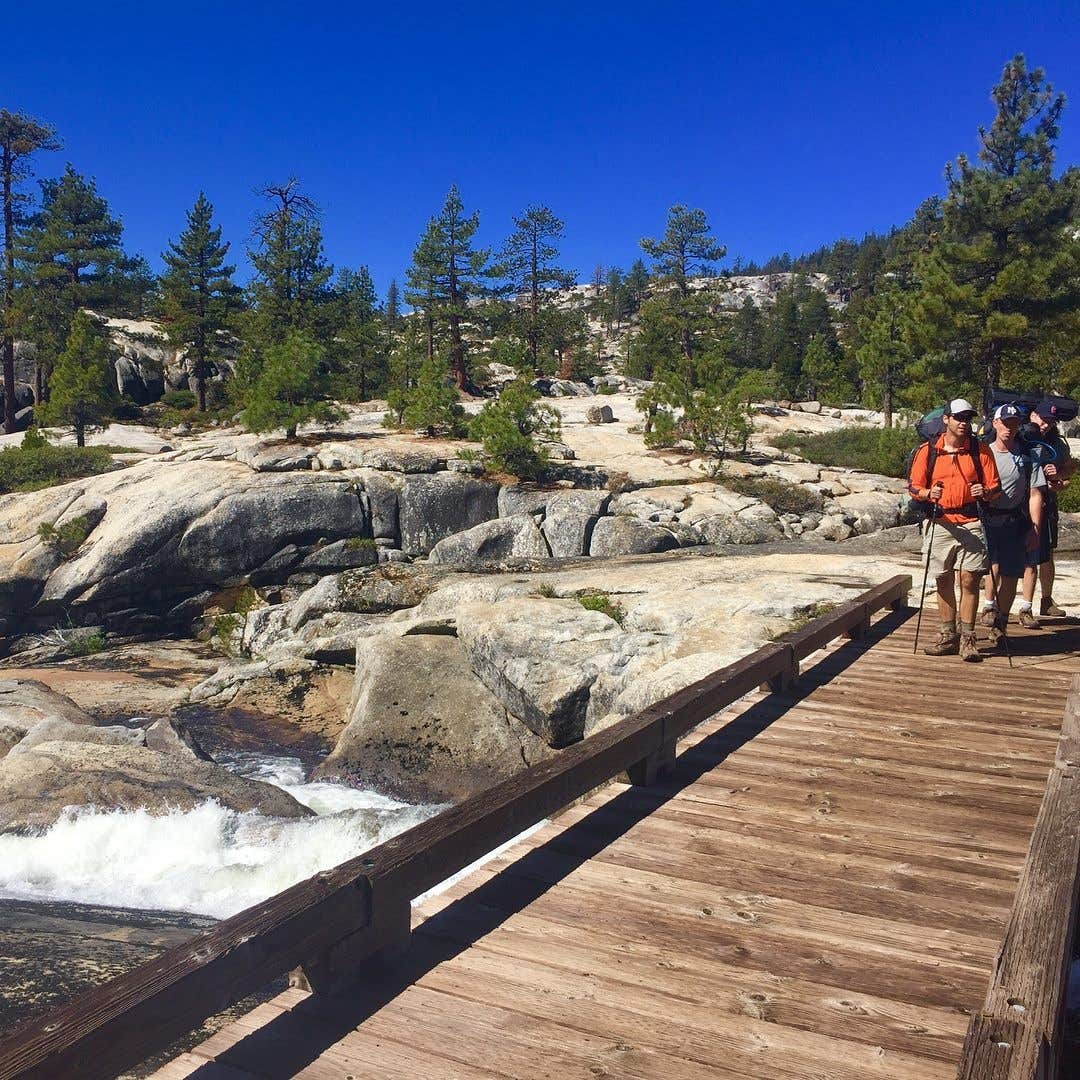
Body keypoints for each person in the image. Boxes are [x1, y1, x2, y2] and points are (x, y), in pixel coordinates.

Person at [908, 398, 1000, 662]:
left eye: (968, 418)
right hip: (940, 522)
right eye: (959, 418)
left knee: (970, 580)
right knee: (942, 578)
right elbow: (914, 487)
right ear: (946, 419)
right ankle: (949, 634)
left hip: (971, 521)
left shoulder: (980, 451)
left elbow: (996, 488)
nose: (964, 423)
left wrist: (985, 492)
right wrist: (928, 493)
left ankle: (968, 639)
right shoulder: (928, 451)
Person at [978, 403, 1046, 638]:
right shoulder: (982, 452)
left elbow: (1035, 493)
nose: (1010, 428)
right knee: (988, 568)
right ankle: (985, 608)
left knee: (1010, 573)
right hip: (985, 518)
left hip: (1015, 520)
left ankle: (1001, 622)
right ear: (995, 423)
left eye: (1015, 424)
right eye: (1005, 423)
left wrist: (1035, 530)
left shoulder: (1029, 455)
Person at [1022, 400, 1075, 617]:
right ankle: (994, 605)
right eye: (1044, 420)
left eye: (1051, 422)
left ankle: (1046, 600)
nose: (1046, 425)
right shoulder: (1020, 435)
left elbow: (1070, 469)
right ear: (1033, 415)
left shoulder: (1056, 442)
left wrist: (1058, 477)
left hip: (1046, 504)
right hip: (1016, 504)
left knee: (1046, 555)